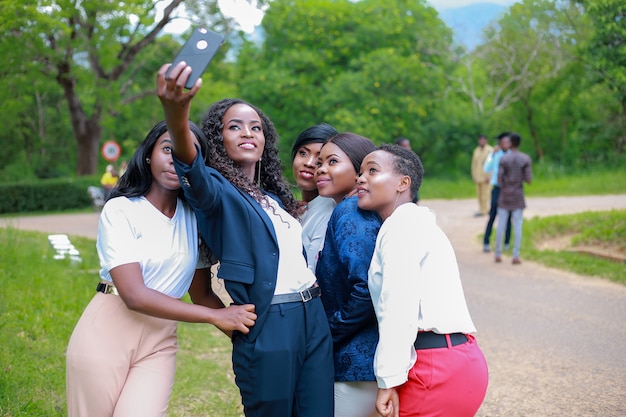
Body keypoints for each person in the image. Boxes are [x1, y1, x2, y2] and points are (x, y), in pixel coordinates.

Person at [157, 62, 334, 417]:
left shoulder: (271, 198)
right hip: (272, 319)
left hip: (313, 316)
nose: (247, 132)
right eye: (234, 126)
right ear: (217, 138)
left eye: (255, 127)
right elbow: (188, 164)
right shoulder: (214, 192)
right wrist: (177, 112)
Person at [66, 121, 257, 417]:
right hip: (107, 329)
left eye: (187, 153)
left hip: (160, 340)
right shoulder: (121, 210)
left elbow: (202, 294)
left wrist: (254, 341)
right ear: (148, 155)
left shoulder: (195, 219)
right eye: (168, 149)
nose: (175, 159)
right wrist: (216, 316)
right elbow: (134, 295)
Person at [356, 144, 489, 417]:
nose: (361, 178)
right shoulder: (420, 223)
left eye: (372, 171)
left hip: (433, 368)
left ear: (403, 183)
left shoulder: (400, 226)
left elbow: (398, 307)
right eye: (360, 172)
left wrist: (388, 379)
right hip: (460, 359)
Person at [314, 133, 381, 417]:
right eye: (319, 163)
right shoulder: (349, 209)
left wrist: (328, 332)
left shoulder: (351, 211)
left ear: (358, 172)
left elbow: (366, 287)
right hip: (357, 361)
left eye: (332, 161)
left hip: (355, 362)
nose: (320, 169)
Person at [291, 123, 339, 272]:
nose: (308, 163)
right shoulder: (296, 207)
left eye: (319, 161)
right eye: (303, 153)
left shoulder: (328, 210)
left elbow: (311, 273)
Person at [495, 133, 532, 265]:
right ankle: (515, 256)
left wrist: (506, 182)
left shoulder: (504, 159)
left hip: (505, 195)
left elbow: (499, 179)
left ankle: (497, 253)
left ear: (511, 143)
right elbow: (528, 180)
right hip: (517, 196)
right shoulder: (525, 159)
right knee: (518, 226)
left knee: (501, 225)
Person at [482, 132, 512, 253]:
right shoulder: (495, 154)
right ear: (500, 143)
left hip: (508, 189)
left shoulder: (512, 155)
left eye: (508, 142)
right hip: (497, 189)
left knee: (508, 217)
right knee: (493, 215)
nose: (506, 144)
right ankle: (486, 241)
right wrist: (492, 154)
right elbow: (486, 168)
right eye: (503, 142)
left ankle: (506, 242)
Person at [471, 134, 493, 216]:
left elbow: (491, 165)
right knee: (479, 194)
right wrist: (474, 175)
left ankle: (485, 210)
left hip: (486, 176)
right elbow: (474, 164)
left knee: (485, 194)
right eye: (481, 140)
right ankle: (481, 209)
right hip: (478, 176)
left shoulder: (490, 150)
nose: (482, 141)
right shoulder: (476, 150)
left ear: (486, 141)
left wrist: (489, 176)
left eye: (483, 140)